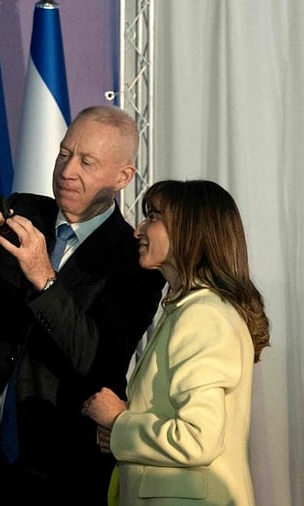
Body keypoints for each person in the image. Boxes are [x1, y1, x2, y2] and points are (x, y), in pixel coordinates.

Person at [0, 105, 166, 504]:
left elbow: (97, 360)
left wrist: (43, 277)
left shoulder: (136, 261)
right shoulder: (18, 212)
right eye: (65, 153)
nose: (67, 171)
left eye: (87, 161)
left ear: (122, 176)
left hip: (62, 468)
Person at [82, 179, 270, 506]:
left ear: (190, 231)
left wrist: (119, 421)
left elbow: (198, 439)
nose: (138, 230)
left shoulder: (202, 315)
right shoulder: (191, 310)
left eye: (153, 217)